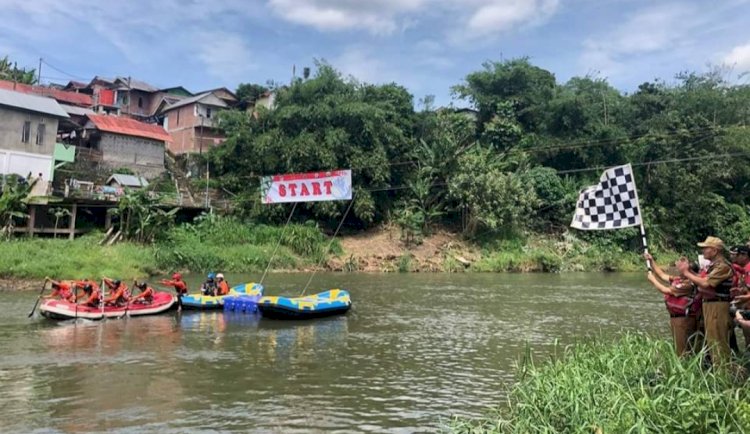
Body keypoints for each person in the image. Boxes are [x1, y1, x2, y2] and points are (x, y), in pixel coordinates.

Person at [677, 236, 734, 367]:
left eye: (705, 248)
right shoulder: (714, 266)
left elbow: (705, 283)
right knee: (712, 340)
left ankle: (723, 374)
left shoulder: (723, 266)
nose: (703, 251)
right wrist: (689, 271)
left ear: (714, 251)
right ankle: (718, 372)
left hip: (718, 306)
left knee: (718, 340)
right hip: (710, 305)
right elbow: (702, 278)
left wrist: (686, 272)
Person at [645, 253, 701, 356]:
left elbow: (665, 289)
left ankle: (685, 366)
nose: (678, 269)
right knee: (678, 346)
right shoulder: (679, 279)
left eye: (681, 268)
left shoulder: (688, 284)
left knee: (683, 349)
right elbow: (662, 275)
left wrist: (652, 280)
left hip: (684, 319)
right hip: (676, 318)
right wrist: (651, 261)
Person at [729, 246, 750, 348]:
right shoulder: (744, 270)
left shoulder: (748, 269)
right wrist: (741, 291)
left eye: (737, 255)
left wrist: (745, 297)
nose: (735, 258)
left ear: (745, 256)